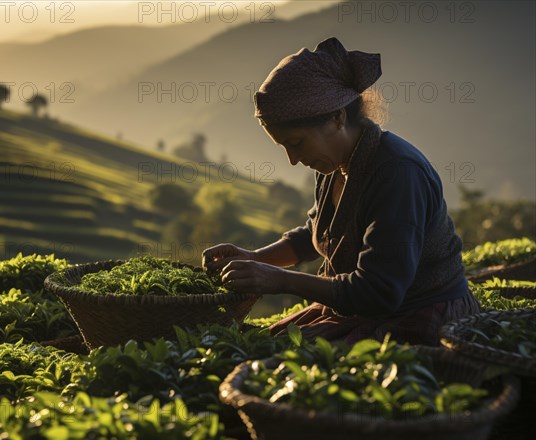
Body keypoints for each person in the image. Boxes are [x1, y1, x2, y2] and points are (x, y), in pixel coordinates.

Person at [202, 37, 480, 346]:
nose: (294, 160)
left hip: (416, 312)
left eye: (297, 144)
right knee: (254, 345)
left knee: (279, 359)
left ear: (337, 118)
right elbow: (318, 234)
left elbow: (379, 292)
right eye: (284, 147)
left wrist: (280, 280)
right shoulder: (337, 164)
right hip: (356, 307)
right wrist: (255, 257)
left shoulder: (397, 174)